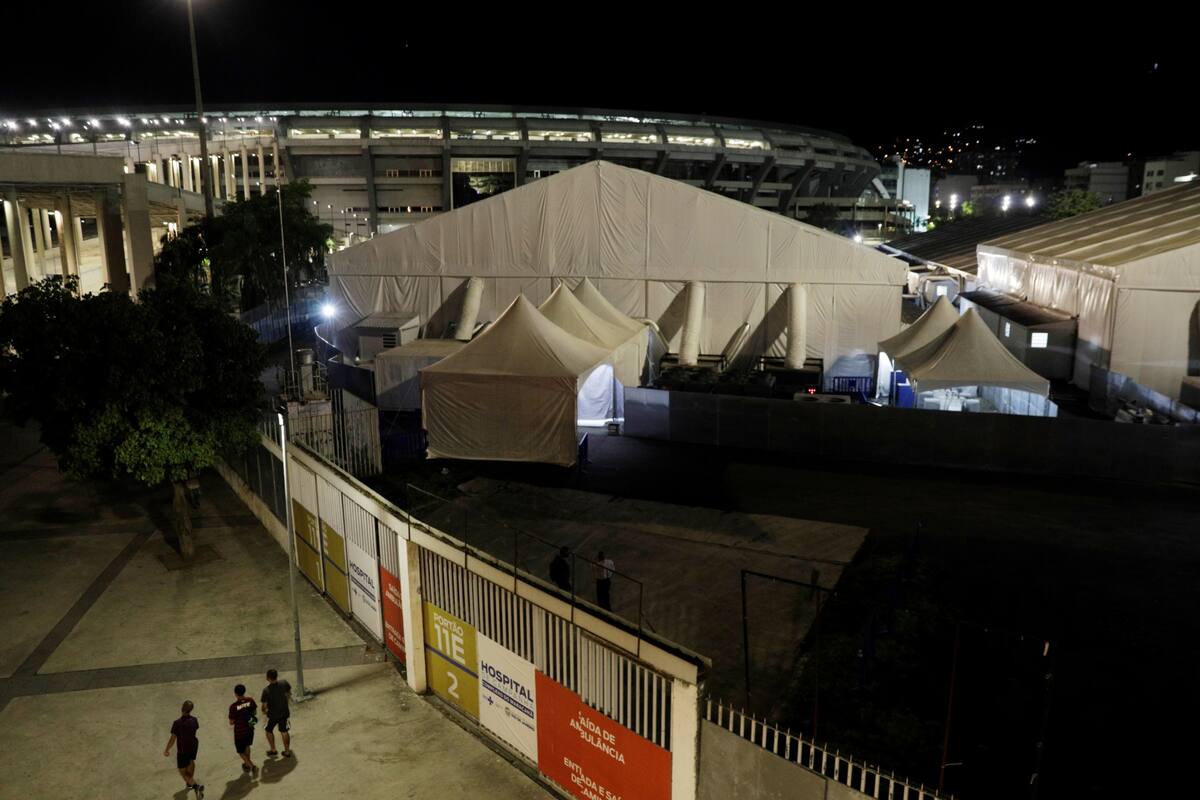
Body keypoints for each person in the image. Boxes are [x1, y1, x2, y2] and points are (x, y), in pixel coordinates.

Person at [164, 700, 204, 797]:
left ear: (182, 708)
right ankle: (189, 782)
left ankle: (195, 786)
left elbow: (172, 739)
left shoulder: (177, 723)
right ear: (191, 710)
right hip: (193, 746)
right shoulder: (194, 720)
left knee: (182, 771)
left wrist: (167, 750)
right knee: (191, 761)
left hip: (183, 749)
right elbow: (195, 729)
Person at [260, 668, 293, 758]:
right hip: (284, 713)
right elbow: (289, 693)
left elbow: (264, 706)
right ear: (276, 676)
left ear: (268, 678)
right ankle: (287, 751)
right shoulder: (284, 683)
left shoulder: (266, 691)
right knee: (284, 731)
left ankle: (273, 749)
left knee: (268, 730)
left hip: (272, 715)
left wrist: (264, 711)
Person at [228, 684, 258, 774]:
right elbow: (255, 712)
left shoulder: (233, 707)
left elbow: (231, 722)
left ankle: (251, 766)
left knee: (240, 751)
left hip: (239, 732)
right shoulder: (250, 700)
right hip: (250, 729)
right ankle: (246, 764)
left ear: (235, 694)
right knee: (247, 746)